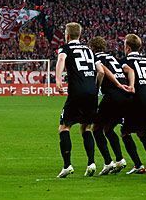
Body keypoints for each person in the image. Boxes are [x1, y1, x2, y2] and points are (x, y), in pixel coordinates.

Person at [55, 23, 102, 178]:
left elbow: (61, 60)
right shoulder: (89, 50)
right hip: (92, 93)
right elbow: (101, 71)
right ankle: (91, 163)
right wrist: (95, 87)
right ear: (80, 35)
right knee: (87, 127)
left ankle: (67, 165)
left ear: (67, 35)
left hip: (76, 92)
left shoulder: (65, 48)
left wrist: (58, 80)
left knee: (64, 127)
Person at [88, 36, 131, 175]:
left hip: (112, 96)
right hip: (125, 96)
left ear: (92, 48)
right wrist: (130, 86)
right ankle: (119, 160)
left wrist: (96, 87)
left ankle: (108, 163)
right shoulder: (113, 58)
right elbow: (129, 70)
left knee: (96, 128)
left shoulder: (96, 58)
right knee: (108, 128)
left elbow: (101, 71)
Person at [120, 34, 146, 174]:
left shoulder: (125, 60)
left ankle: (138, 165)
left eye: (124, 45)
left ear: (128, 47)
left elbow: (126, 74)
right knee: (142, 132)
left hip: (138, 97)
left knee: (125, 132)